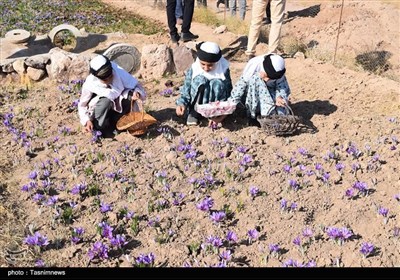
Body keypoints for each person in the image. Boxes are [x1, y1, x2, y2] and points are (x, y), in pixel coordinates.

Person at [78, 55, 146, 136]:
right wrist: (87, 121)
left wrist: (136, 92)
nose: (109, 80)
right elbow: (82, 105)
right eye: (105, 79)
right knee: (106, 101)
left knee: (130, 95)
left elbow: (135, 85)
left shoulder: (118, 71)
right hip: (100, 112)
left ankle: (119, 123)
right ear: (98, 77)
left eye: (110, 77)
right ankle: (100, 128)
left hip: (117, 108)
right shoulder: (90, 83)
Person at [175, 41, 233, 126]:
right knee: (200, 80)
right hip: (197, 105)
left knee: (217, 83)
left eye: (210, 65)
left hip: (216, 108)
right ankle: (195, 112)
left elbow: (229, 90)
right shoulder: (195, 69)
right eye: (203, 64)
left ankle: (215, 115)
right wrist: (181, 103)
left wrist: (225, 112)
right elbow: (186, 88)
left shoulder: (223, 70)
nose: (206, 68)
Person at [228, 53, 290, 126]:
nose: (267, 80)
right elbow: (239, 87)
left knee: (280, 113)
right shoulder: (253, 66)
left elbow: (282, 87)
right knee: (256, 78)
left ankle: (271, 116)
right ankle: (255, 115)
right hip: (252, 96)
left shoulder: (278, 70)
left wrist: (279, 97)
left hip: (270, 96)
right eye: (266, 76)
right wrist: (230, 105)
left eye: (270, 78)